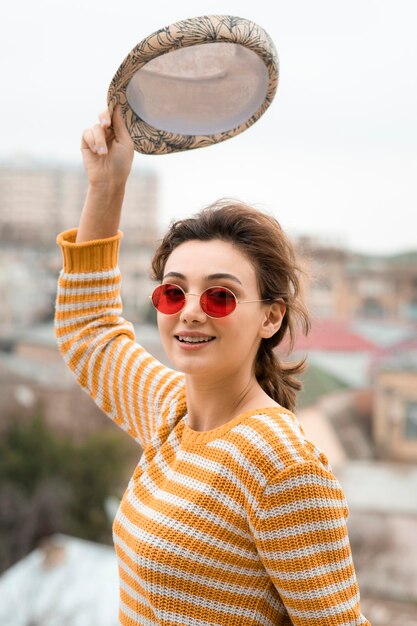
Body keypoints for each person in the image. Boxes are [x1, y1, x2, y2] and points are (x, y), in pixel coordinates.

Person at [55, 104, 371, 625]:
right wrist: (107, 186)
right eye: (173, 292)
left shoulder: (279, 465)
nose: (191, 312)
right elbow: (88, 331)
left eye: (221, 296)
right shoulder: (169, 412)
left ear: (270, 317)